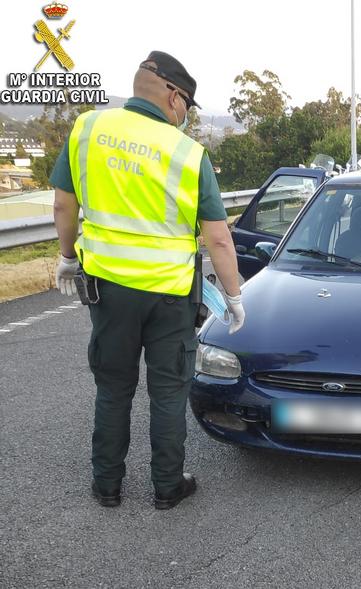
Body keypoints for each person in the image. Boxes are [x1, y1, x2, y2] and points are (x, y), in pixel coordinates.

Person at [51, 51, 245, 510]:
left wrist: (65, 258)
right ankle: (167, 486)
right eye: (187, 106)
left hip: (108, 289)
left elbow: (63, 206)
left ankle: (107, 486)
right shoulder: (187, 153)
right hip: (170, 298)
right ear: (174, 96)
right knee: (167, 392)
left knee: (113, 388)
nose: (185, 116)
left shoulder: (88, 129)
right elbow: (217, 237)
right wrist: (234, 297)